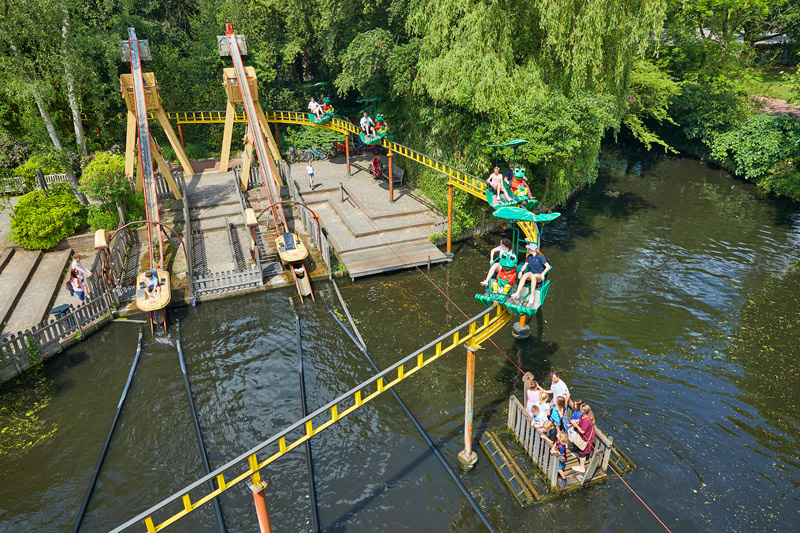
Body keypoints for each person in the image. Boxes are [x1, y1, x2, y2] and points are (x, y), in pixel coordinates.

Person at [571, 403, 595, 473]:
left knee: (582, 452)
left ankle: (582, 467)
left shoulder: (586, 420)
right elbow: (580, 423)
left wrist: (576, 425)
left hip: (586, 438)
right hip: (583, 437)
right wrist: (576, 422)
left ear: (583, 411)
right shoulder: (583, 416)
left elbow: (582, 431)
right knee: (580, 448)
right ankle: (579, 456)